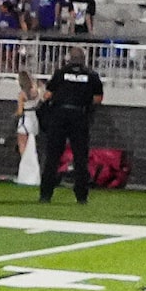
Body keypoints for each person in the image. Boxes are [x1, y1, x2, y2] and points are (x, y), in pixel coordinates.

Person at [36, 48, 103, 204]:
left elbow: (48, 95)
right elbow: (98, 98)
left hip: (59, 116)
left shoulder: (60, 73)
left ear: (69, 58)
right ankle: (81, 197)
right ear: (83, 59)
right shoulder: (91, 75)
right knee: (80, 158)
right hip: (79, 116)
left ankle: (45, 195)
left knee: (52, 157)